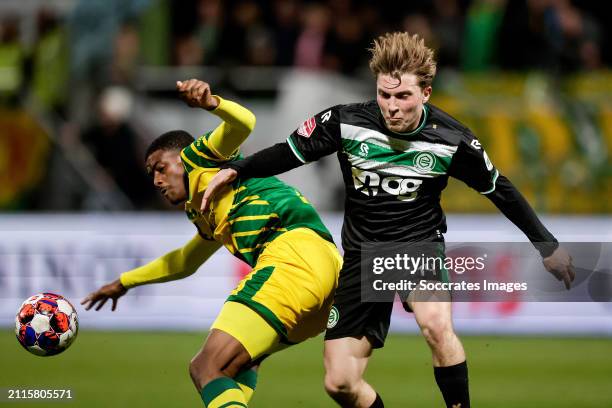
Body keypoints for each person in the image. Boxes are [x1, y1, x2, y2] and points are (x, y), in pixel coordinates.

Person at [201, 33, 576, 408]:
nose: (392, 107)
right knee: (340, 383)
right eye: (385, 95)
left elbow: (501, 191)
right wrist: (238, 169)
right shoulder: (345, 122)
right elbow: (290, 153)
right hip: (363, 260)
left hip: (417, 249)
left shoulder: (452, 139)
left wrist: (547, 246)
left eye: (403, 97)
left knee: (435, 325)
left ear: (426, 94)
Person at [81, 79, 343, 408]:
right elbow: (184, 261)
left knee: (206, 366)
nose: (157, 181)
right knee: (233, 368)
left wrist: (211, 103)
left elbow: (245, 122)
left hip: (292, 258)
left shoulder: (201, 158)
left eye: (161, 168)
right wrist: (124, 282)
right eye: (151, 175)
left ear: (180, 158)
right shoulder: (203, 210)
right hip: (324, 274)